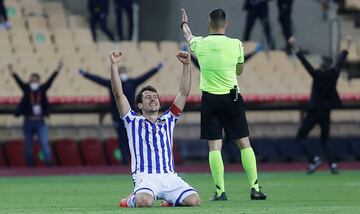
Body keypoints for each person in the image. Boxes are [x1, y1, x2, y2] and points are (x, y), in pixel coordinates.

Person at [181, 8, 267, 200]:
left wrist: (184, 23)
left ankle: (220, 191)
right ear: (226, 24)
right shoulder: (236, 44)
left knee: (214, 146)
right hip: (232, 97)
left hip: (210, 99)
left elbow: (188, 36)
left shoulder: (200, 43)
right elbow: (239, 71)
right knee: (244, 143)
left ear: (208, 24)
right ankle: (255, 188)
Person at [109, 50, 200, 207]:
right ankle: (131, 199)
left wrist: (186, 66)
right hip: (145, 177)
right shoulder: (133, 121)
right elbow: (118, 94)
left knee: (194, 200)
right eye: (148, 97)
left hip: (169, 176)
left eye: (155, 96)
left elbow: (184, 93)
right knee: (145, 202)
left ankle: (170, 200)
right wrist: (114, 65)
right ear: (139, 105)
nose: (153, 99)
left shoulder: (169, 119)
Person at [288, 35, 351, 174]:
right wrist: (347, 44)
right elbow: (340, 60)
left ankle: (314, 159)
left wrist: (294, 46)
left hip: (314, 111)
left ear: (322, 64)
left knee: (300, 137)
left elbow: (305, 62)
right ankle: (333, 165)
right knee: (325, 139)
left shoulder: (317, 74)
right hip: (326, 111)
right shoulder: (333, 73)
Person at [79, 63, 163, 164]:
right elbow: (98, 80)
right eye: (121, 72)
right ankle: (124, 160)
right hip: (118, 116)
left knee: (133, 137)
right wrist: (85, 74)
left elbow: (144, 77)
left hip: (131, 116)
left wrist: (156, 68)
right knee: (122, 138)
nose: (123, 74)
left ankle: (134, 158)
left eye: (124, 71)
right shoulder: (113, 83)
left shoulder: (132, 82)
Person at [8, 62, 63, 167]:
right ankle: (30, 166)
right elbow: (18, 81)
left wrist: (57, 69)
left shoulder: (42, 90)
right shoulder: (26, 90)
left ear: (38, 81)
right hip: (28, 121)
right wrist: (12, 71)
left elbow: (50, 81)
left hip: (40, 121)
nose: (33, 82)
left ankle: (49, 164)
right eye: (31, 80)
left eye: (35, 80)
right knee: (28, 146)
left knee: (44, 143)